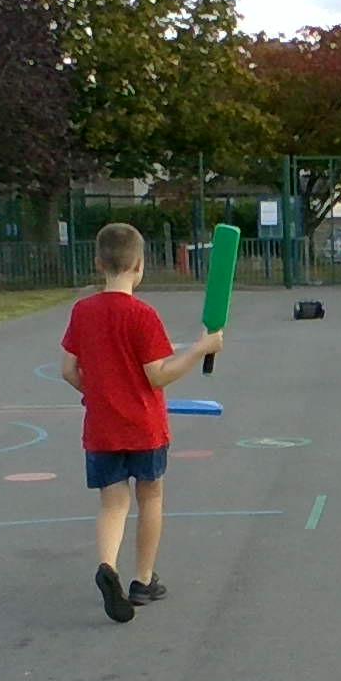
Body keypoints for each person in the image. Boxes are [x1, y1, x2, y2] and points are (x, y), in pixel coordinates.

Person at [59, 221, 224, 623]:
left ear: (99, 263)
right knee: (150, 497)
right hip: (144, 426)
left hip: (102, 427)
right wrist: (200, 348)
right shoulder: (143, 315)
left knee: (112, 502)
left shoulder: (83, 311)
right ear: (139, 266)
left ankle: (107, 565)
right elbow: (158, 375)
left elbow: (68, 369)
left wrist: (95, 392)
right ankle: (143, 580)